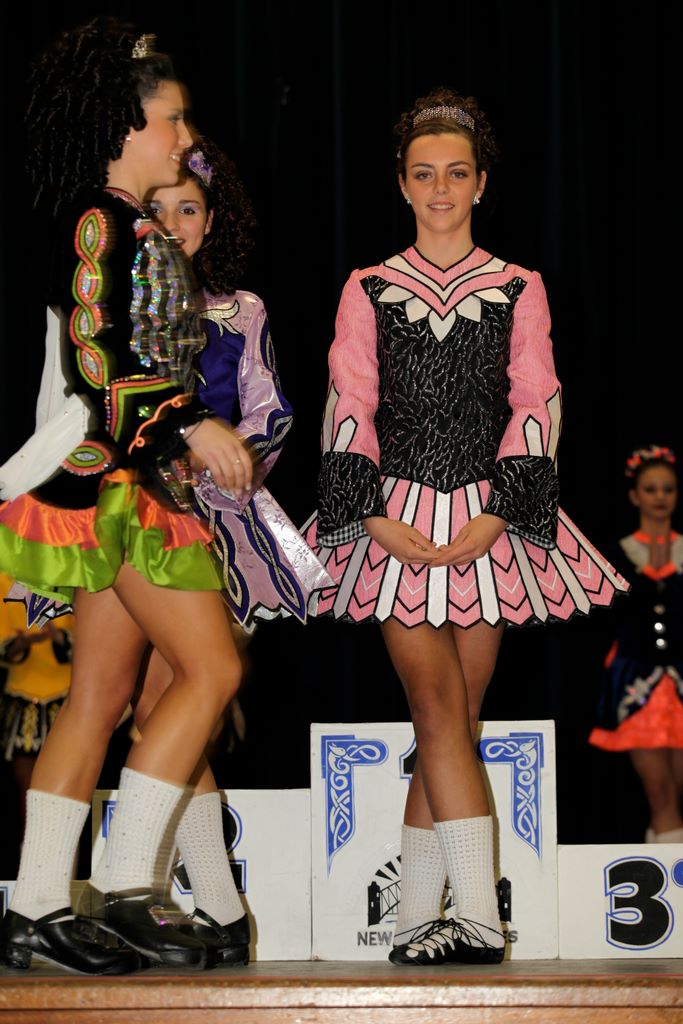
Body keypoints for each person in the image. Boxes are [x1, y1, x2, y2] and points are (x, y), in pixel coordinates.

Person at [304, 86, 629, 966]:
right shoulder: (367, 287)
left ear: (481, 182)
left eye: (455, 173)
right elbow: (348, 398)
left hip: (487, 525)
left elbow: (536, 399)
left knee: (454, 721)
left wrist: (499, 514)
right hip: (395, 522)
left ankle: (416, 919)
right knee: (436, 706)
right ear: (401, 184)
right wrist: (369, 514)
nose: (440, 188)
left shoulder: (518, 286)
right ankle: (480, 919)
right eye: (423, 174)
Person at [0, 18, 251, 974]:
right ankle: (131, 885)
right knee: (211, 672)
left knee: (99, 697)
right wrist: (190, 422)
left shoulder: (119, 221)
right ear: (125, 123)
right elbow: (98, 354)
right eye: (172, 119)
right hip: (124, 483)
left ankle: (34, 908)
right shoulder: (103, 221)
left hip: (129, 478)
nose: (185, 136)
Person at [130, 137, 330, 954]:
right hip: (134, 515)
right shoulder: (123, 308)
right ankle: (216, 909)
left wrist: (222, 461)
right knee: (152, 712)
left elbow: (272, 410)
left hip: (220, 525)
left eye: (190, 209)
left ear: (211, 222)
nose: (175, 223)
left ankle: (198, 902)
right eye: (160, 209)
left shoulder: (240, 310)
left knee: (177, 701)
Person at [589, 445, 683, 842]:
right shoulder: (618, 553)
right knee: (659, 792)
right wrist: (648, 577)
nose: (660, 497)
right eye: (651, 489)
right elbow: (611, 616)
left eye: (668, 489)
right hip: (636, 683)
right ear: (634, 495)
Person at [0, 572, 73, 832]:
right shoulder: (4, 579)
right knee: (28, 792)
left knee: (67, 790)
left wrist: (57, 636)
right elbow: (4, 646)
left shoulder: (70, 574)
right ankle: (30, 844)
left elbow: (91, 642)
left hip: (67, 697)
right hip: (22, 697)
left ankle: (68, 848)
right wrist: (22, 642)